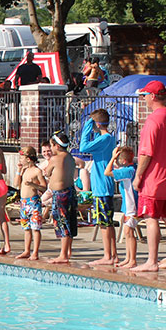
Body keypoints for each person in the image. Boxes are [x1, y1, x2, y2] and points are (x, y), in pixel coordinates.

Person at [132, 80, 166, 273]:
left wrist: (138, 176)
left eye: (144, 96)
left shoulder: (154, 120)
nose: (143, 99)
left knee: (151, 218)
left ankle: (152, 260)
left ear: (152, 96)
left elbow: (146, 153)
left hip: (153, 178)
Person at [79, 109, 117, 266]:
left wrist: (88, 125)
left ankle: (108, 255)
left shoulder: (106, 138)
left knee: (104, 223)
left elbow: (83, 146)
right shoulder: (105, 139)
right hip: (101, 186)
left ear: (97, 123)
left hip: (103, 186)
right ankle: (112, 254)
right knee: (106, 222)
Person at [44, 130, 77, 264]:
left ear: (57, 146)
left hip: (60, 195)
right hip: (70, 192)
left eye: (51, 146)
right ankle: (68, 251)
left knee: (62, 224)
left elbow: (48, 172)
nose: (50, 150)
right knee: (69, 222)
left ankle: (63, 254)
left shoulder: (55, 158)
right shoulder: (70, 157)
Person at [15, 145, 46, 260]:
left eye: (21, 158)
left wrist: (33, 185)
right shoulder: (24, 170)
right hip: (23, 203)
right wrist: (18, 171)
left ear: (28, 159)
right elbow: (16, 184)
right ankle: (26, 250)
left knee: (35, 228)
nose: (20, 161)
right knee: (26, 228)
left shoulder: (37, 171)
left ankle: (35, 252)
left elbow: (44, 187)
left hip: (33, 203)